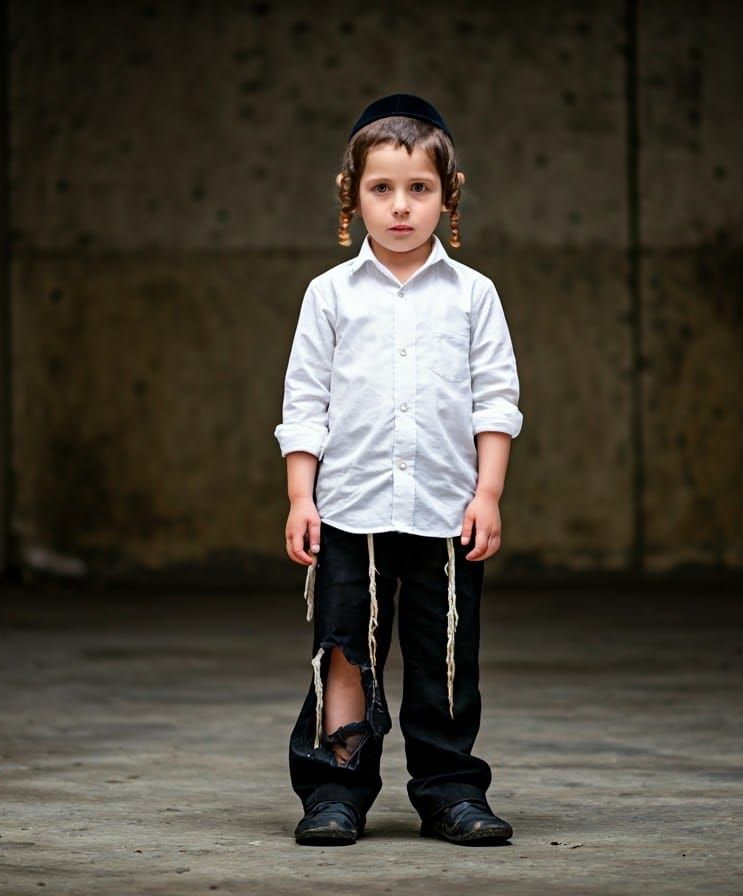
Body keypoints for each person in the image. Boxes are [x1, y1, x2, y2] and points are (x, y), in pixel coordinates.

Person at [274, 94, 523, 847]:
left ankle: (449, 790)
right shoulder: (331, 295)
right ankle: (335, 789)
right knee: (346, 651)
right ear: (352, 196)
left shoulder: (474, 295)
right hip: (349, 509)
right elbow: (304, 403)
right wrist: (299, 497)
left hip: (447, 509)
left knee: (445, 655)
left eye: (419, 188)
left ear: (449, 196)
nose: (401, 206)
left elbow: (497, 402)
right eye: (382, 188)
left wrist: (487, 494)